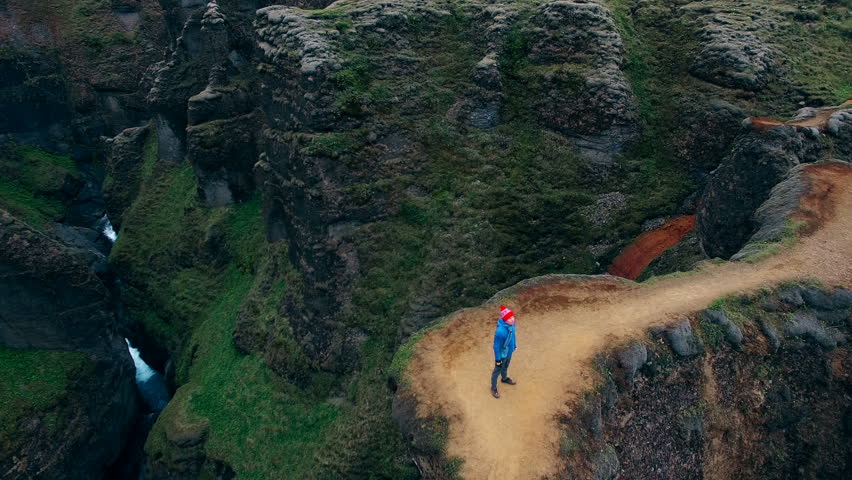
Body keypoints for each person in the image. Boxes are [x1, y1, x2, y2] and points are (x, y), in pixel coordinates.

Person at [491, 305, 517, 398]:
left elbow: (513, 335)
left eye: (512, 316)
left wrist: (514, 345)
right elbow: (496, 346)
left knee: (506, 366)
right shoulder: (500, 332)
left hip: (509, 352)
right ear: (505, 319)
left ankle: (504, 378)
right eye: (509, 318)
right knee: (497, 371)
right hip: (502, 354)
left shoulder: (513, 324)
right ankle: (493, 387)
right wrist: (498, 359)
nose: (512, 319)